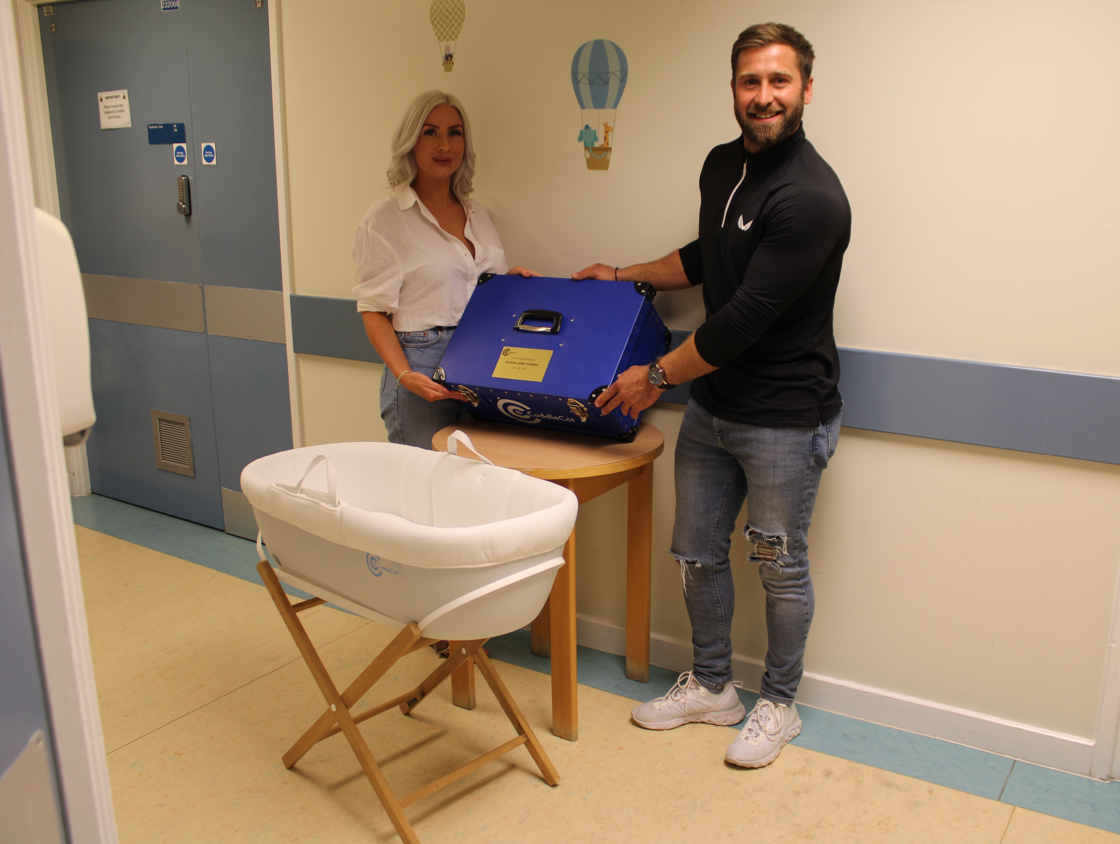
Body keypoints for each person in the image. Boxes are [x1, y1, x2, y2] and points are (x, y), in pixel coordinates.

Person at [573, 23, 850, 769]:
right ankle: (715, 687)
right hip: (714, 410)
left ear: (805, 91)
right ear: (733, 88)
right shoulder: (722, 165)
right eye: (750, 81)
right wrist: (624, 276)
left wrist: (652, 376)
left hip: (784, 420)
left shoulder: (814, 197)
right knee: (697, 554)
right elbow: (703, 257)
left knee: (778, 563)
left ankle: (779, 704)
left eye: (778, 81)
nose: (763, 97)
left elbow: (743, 321)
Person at [352, 90, 537, 448]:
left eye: (454, 133)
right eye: (430, 132)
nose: (444, 145)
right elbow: (373, 310)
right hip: (420, 360)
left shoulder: (476, 213)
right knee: (423, 487)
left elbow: (472, 284)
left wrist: (508, 284)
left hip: (480, 356)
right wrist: (404, 375)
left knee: (473, 479)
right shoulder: (385, 219)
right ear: (410, 141)